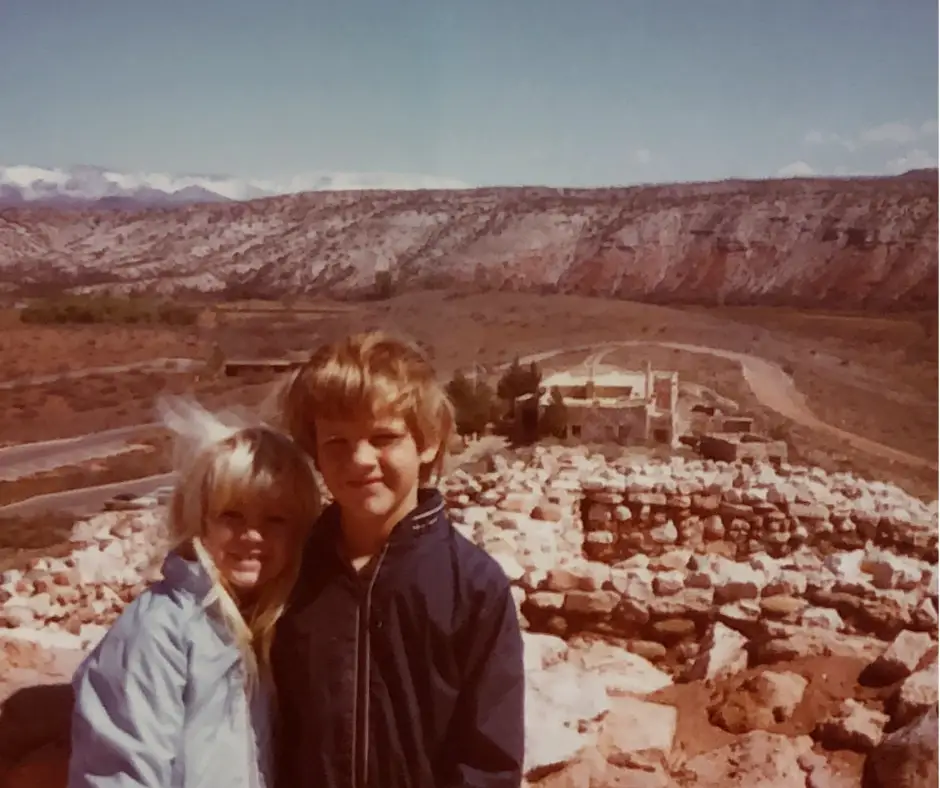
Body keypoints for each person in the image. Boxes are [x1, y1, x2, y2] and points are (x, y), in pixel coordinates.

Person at [272, 330, 526, 788]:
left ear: (427, 443)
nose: (360, 460)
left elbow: (489, 760)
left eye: (383, 437)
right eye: (337, 442)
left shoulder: (471, 586)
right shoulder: (292, 568)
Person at [67, 397, 321, 788]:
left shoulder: (274, 625)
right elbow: (121, 772)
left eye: (275, 520)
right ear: (198, 518)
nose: (252, 536)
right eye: (231, 515)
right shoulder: (162, 628)